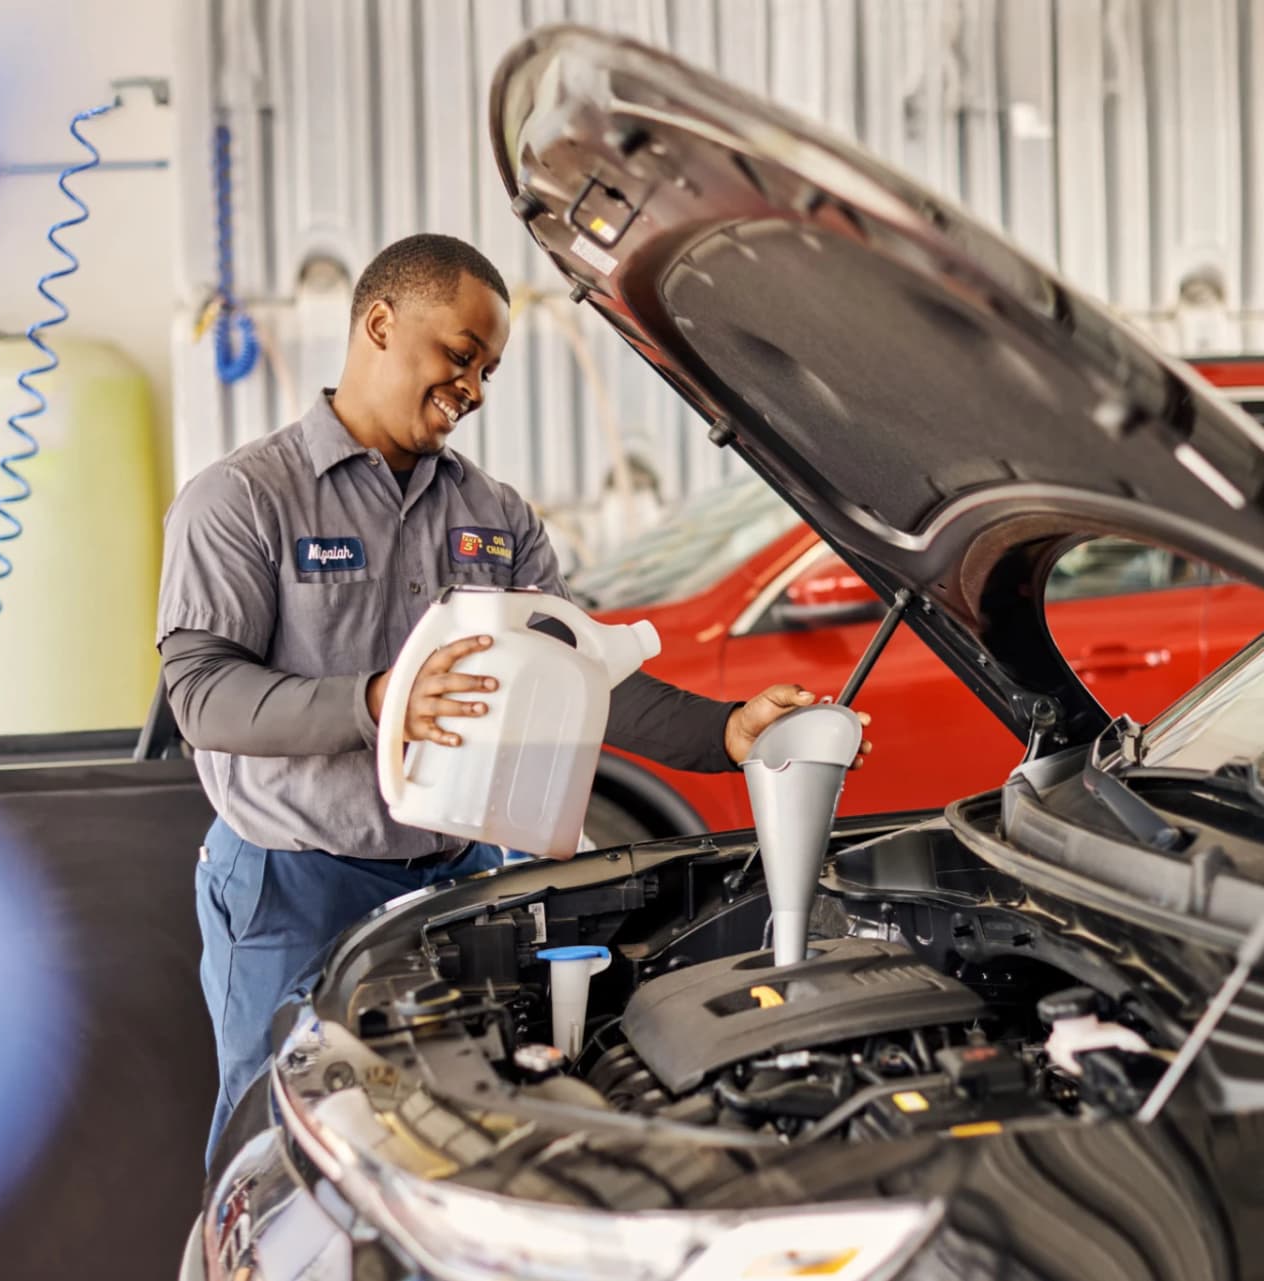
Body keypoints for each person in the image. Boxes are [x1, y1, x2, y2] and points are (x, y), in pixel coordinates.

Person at [155, 233, 868, 1159]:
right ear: (379, 323)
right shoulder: (245, 500)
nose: (476, 389)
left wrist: (726, 729)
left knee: (452, 1131)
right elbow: (201, 698)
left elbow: (579, 679)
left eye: (488, 368)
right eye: (460, 355)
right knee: (279, 1142)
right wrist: (380, 701)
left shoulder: (494, 514)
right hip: (293, 881)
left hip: (451, 885)